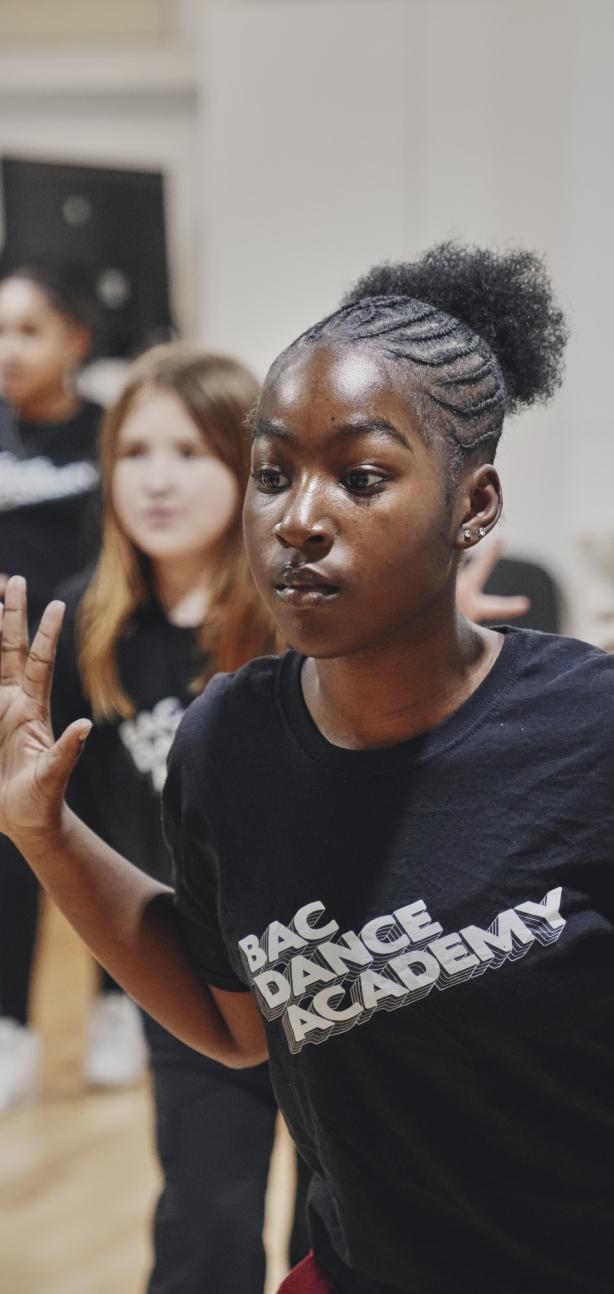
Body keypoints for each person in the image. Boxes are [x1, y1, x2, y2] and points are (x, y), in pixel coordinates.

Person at [2, 243, 614, 1293]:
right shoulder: (227, 744)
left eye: (360, 478)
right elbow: (233, 1022)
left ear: (475, 504)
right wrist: (44, 832)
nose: (298, 518)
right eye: (273, 475)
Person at [51, 342, 309, 1294]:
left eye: (191, 453)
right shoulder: (81, 626)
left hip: (334, 968)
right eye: (134, 452)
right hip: (191, 976)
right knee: (204, 1220)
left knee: (338, 1229)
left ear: (254, 469)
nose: (157, 481)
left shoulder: (309, 611)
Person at [0, 262, 145, 1109]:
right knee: (10, 849)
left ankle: (118, 1009)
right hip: (8, 687)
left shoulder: (110, 433)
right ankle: (10, 1028)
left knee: (108, 834)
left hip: (97, 671)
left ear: (76, 341)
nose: (8, 350)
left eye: (28, 330)